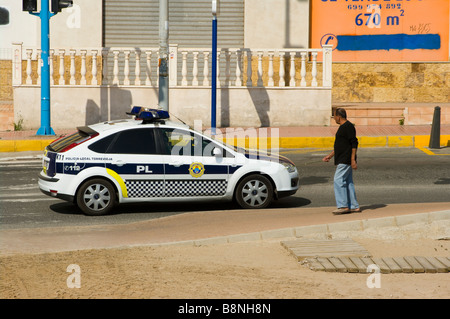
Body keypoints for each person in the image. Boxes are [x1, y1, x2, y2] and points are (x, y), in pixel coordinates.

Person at [322, 108, 361, 215]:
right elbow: (340, 145)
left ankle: (343, 206)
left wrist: (353, 159)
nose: (334, 118)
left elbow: (354, 143)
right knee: (348, 182)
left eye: (334, 116)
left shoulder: (348, 127)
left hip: (346, 159)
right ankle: (354, 206)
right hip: (343, 158)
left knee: (338, 180)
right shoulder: (343, 127)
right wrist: (329, 156)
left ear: (339, 116)